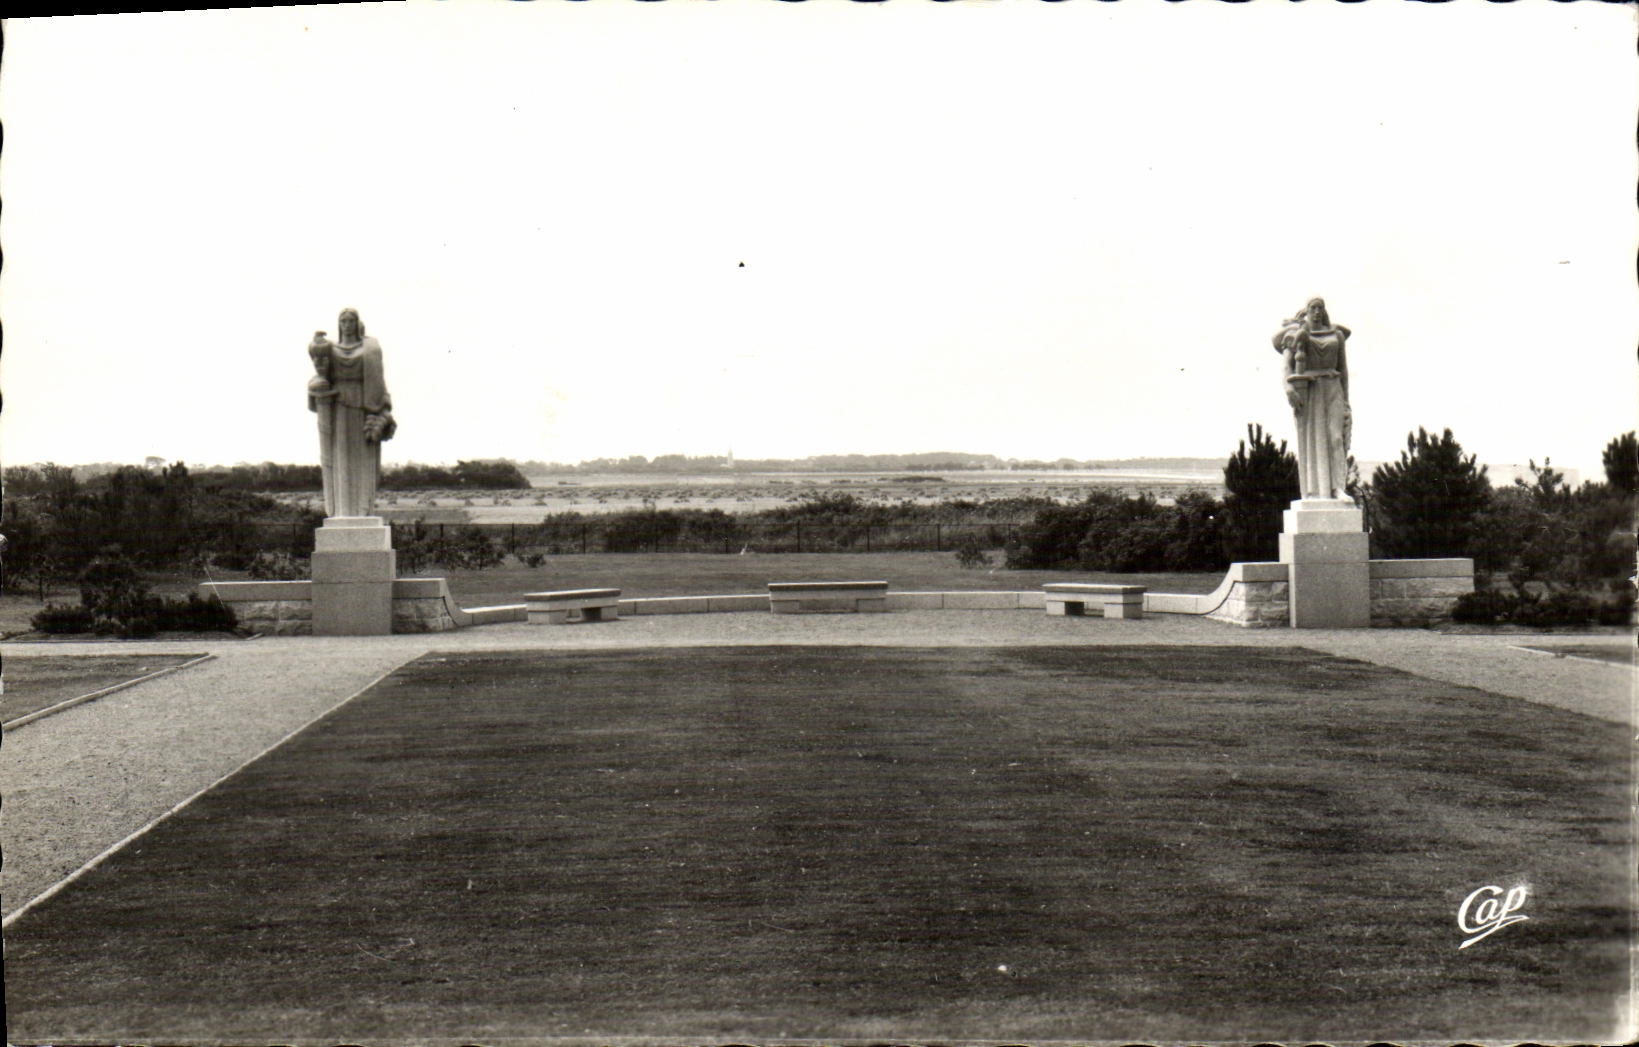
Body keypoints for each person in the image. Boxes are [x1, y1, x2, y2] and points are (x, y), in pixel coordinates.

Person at [307, 308, 396, 517]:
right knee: (340, 458)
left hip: (365, 407)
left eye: (350, 321)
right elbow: (319, 368)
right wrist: (317, 345)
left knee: (363, 458)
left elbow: (378, 381)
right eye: (343, 321)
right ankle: (342, 512)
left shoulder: (370, 348)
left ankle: (362, 511)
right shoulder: (332, 349)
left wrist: (381, 410)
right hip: (338, 406)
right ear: (339, 325)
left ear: (357, 324)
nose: (347, 325)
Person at [1272, 297, 1351, 501]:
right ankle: (1316, 491)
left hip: (1333, 387)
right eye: (1313, 308)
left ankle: (1338, 488)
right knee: (1313, 440)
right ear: (1306, 311)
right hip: (1309, 389)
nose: (1317, 311)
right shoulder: (1298, 335)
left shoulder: (1337, 335)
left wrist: (1346, 402)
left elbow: (1343, 370)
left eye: (1320, 308)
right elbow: (1286, 367)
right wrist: (1288, 388)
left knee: (1336, 438)